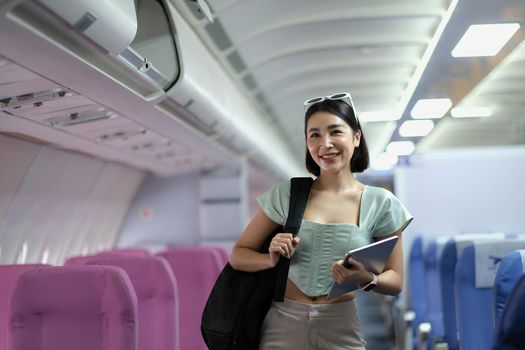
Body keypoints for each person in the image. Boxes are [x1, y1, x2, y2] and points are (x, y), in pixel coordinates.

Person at [229, 92, 413, 350]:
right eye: (314, 134)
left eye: (335, 132)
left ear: (356, 137)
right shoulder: (288, 194)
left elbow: (395, 281)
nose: (325, 143)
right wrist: (268, 259)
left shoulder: (381, 203)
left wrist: (364, 278)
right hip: (282, 322)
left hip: (341, 324)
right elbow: (238, 255)